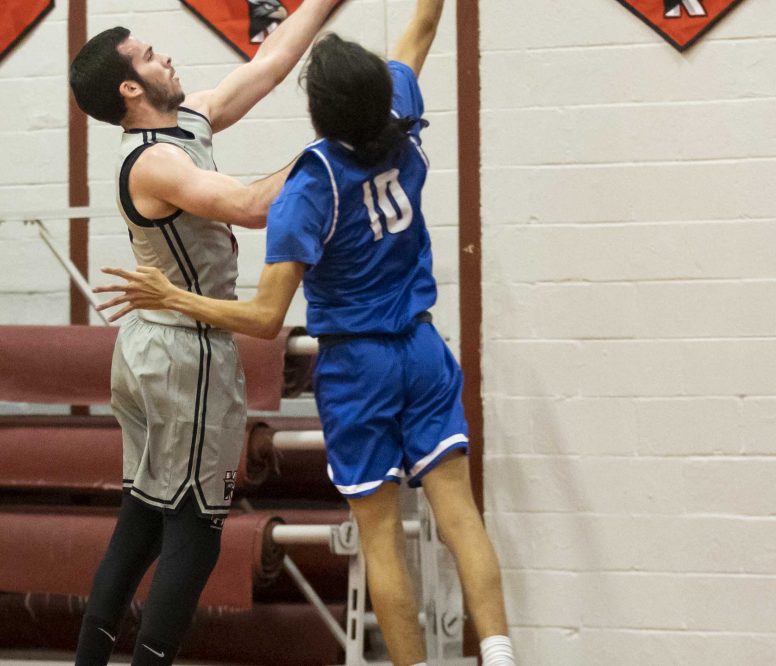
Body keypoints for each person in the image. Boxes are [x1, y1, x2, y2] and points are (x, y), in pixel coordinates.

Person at [93, 1, 517, 665]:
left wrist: (173, 296)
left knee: (379, 541)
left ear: (320, 115)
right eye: (149, 55)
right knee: (459, 514)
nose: (164, 56)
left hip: (352, 365)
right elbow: (423, 27)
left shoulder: (307, 188)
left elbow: (265, 313)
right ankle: (498, 652)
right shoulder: (397, 113)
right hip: (418, 349)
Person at [68, 2, 340, 665]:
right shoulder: (151, 161)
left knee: (140, 522)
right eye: (147, 53)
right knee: (196, 526)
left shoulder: (188, 118)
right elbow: (250, 208)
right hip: (181, 350)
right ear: (129, 88)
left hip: (163, 345)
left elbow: (271, 65)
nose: (164, 54)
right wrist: (336, 145)